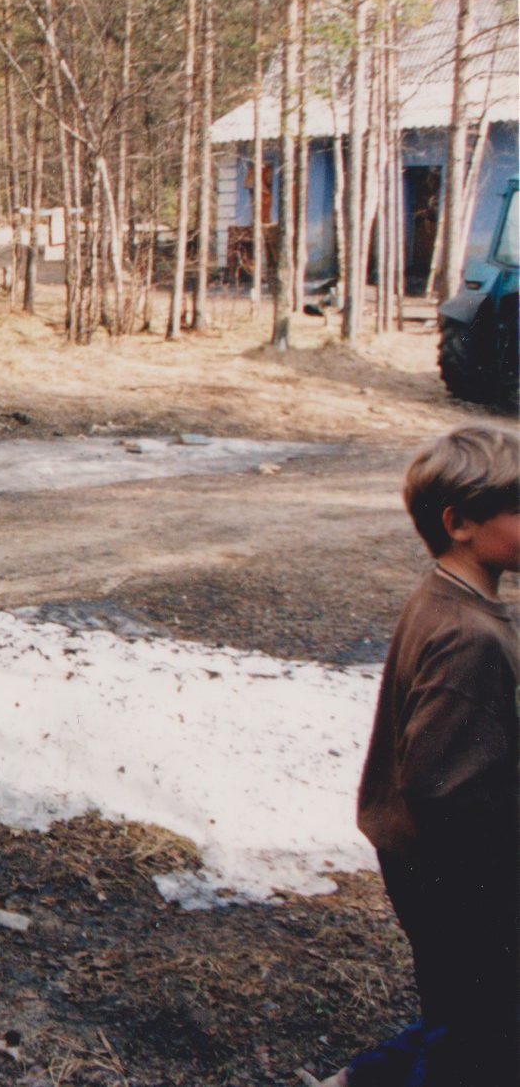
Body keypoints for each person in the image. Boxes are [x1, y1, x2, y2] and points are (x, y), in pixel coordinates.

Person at [301, 424, 519, 1087]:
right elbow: (442, 787)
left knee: (469, 1019)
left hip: (433, 869)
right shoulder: (466, 636)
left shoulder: (445, 601)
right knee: (483, 1035)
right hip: (466, 881)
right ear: (460, 523)